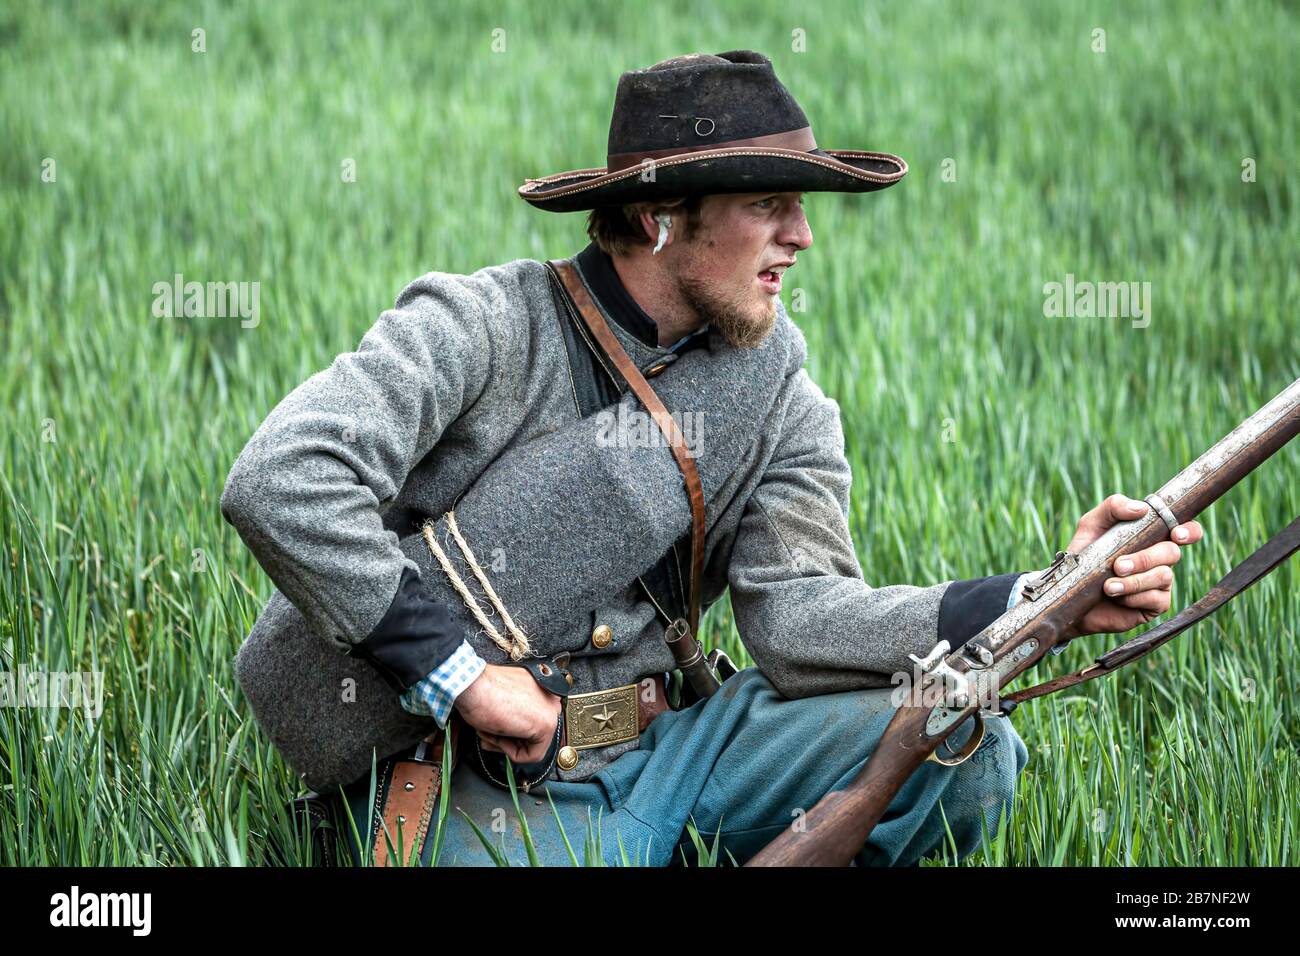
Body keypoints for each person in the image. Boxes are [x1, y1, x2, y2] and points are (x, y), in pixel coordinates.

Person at [222, 50, 1202, 866]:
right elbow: (282, 479)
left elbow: (800, 616)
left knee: (967, 751)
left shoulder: (774, 380)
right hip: (466, 771)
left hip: (675, 743)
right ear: (659, 215)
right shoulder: (478, 325)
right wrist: (458, 673)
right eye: (770, 202)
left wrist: (1042, 591)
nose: (802, 236)